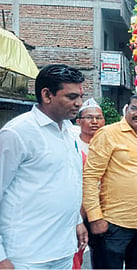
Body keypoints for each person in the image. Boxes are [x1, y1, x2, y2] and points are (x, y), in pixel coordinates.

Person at [0, 64, 87, 269]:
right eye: (71, 97)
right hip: (26, 256)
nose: (79, 104)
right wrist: (1, 257)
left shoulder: (69, 131)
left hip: (63, 251)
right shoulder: (17, 133)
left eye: (80, 96)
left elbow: (68, 182)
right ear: (47, 95)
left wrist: (77, 221)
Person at [83, 93, 137, 269]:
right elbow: (90, 177)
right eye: (134, 108)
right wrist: (95, 218)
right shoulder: (108, 134)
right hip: (114, 223)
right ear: (127, 109)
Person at [72, 98, 105, 269]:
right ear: (78, 121)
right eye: (89, 117)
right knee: (74, 254)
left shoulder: (110, 144)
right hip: (76, 211)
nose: (94, 122)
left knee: (103, 256)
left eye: (98, 118)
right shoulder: (72, 145)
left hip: (103, 211)